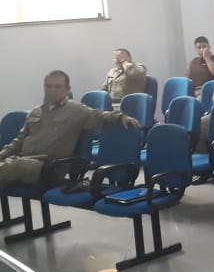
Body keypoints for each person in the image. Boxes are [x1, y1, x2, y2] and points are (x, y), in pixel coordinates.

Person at [0, 71, 140, 189]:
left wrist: (120, 116)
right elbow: (19, 140)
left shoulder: (76, 110)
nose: (52, 90)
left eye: (57, 87)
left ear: (67, 89)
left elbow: (100, 115)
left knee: (12, 166)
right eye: (48, 86)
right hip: (23, 161)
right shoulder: (37, 111)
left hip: (49, 167)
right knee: (9, 168)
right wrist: (3, 153)